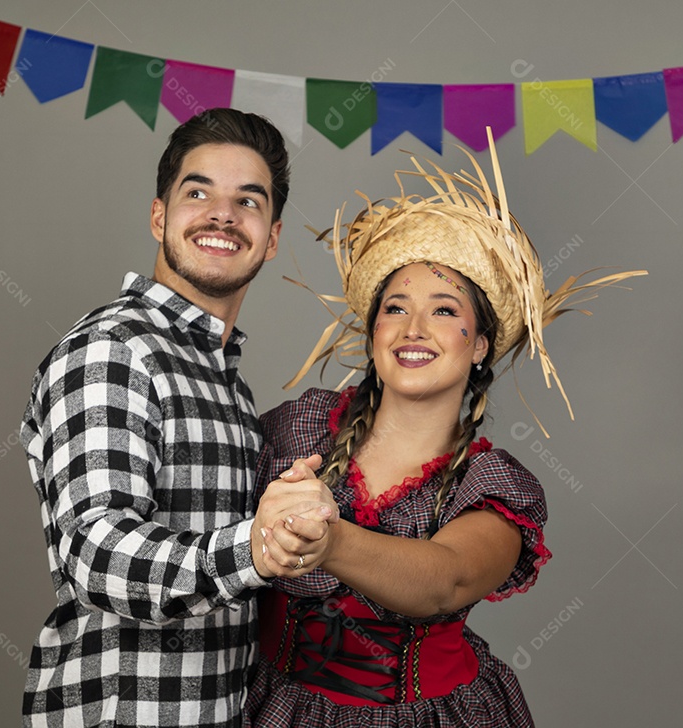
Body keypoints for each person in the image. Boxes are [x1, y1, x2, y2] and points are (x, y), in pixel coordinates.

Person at [243, 132, 646, 726]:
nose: (415, 328)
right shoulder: (299, 428)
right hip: (273, 707)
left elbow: (446, 583)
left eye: (445, 310)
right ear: (374, 330)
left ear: (480, 344)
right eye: (397, 307)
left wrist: (329, 541)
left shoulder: (493, 485)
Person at [20, 108, 336, 728]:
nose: (223, 214)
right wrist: (258, 547)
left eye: (248, 201)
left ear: (271, 237)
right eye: (199, 192)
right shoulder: (115, 349)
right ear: (160, 215)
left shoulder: (224, 379)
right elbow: (96, 551)